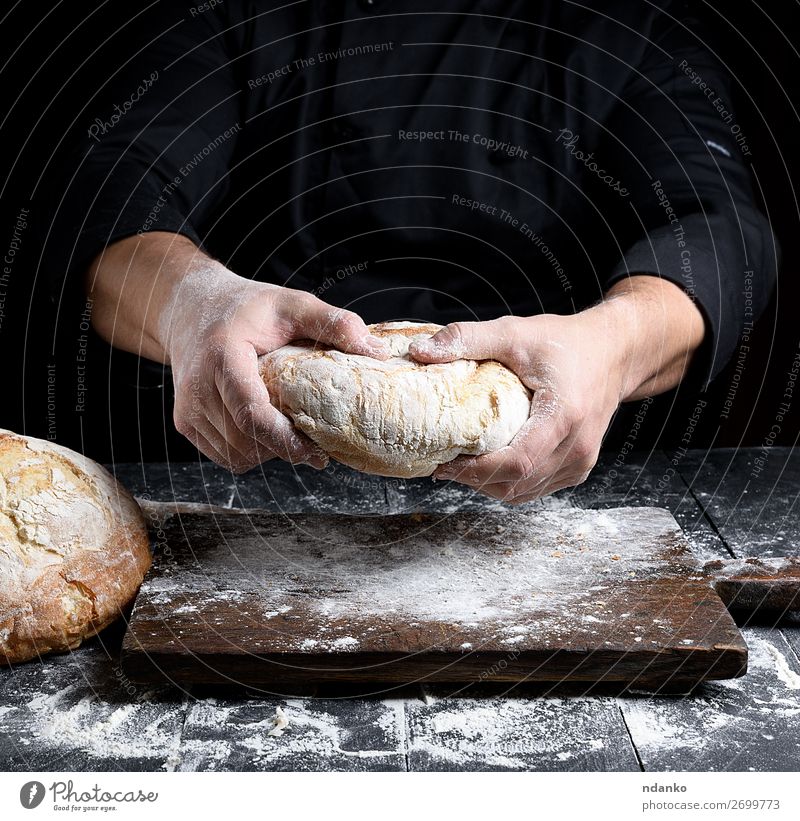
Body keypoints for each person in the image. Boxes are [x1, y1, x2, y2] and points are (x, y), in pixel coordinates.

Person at [46, 1, 776, 502]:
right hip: (245, 486)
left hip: (545, 499)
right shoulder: (233, 14)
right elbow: (110, 197)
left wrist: (611, 347)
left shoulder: (626, 21)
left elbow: (722, 229)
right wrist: (192, 305)